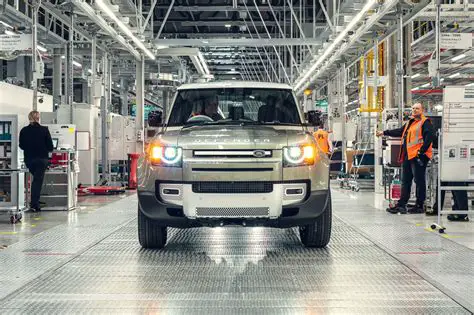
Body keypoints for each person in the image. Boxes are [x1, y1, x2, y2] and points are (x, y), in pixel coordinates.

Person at [376, 103, 435, 214]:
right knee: (406, 181)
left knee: (419, 181)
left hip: (419, 156)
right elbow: (399, 131)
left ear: (422, 110)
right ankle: (401, 205)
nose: (414, 110)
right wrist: (384, 132)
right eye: (413, 108)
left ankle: (419, 205)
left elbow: (430, 137)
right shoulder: (410, 123)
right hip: (408, 156)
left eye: (417, 108)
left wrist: (421, 152)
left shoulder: (425, 122)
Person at [19, 111, 54, 212]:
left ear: (29, 118)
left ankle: (34, 202)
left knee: (36, 180)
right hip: (42, 160)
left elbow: (21, 146)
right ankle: (34, 204)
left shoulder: (24, 130)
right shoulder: (44, 130)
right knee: (37, 182)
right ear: (38, 118)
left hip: (29, 160)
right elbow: (50, 147)